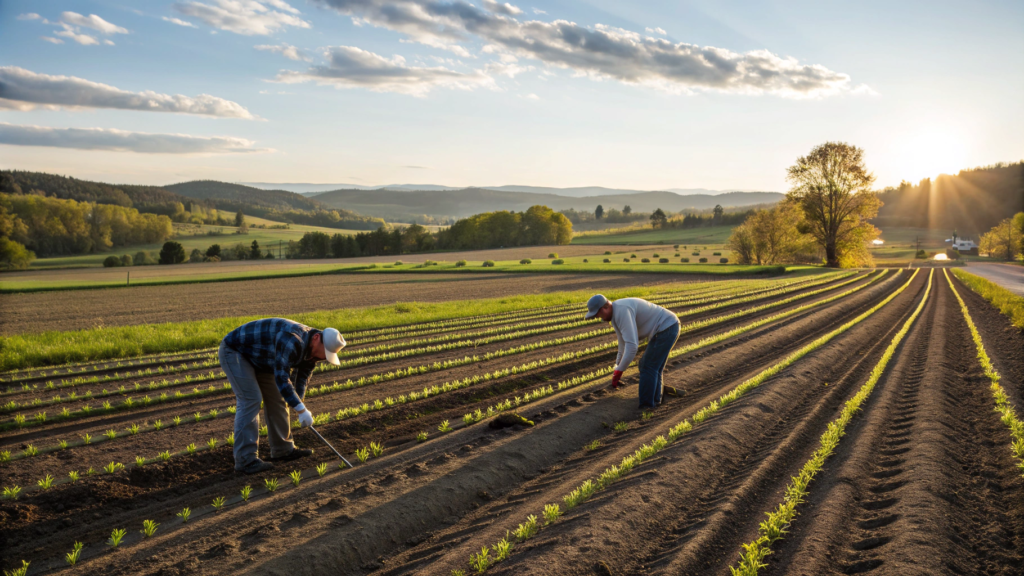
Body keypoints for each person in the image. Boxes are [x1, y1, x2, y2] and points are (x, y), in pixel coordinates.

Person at [219, 318, 346, 474]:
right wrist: (300, 409)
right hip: (236, 351)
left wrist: (299, 404)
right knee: (251, 399)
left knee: (278, 400)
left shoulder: (313, 354)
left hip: (263, 359)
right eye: (325, 353)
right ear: (316, 338)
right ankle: (245, 461)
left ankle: (283, 450)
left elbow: (301, 379)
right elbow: (281, 377)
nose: (324, 358)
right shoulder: (292, 338)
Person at [585, 294, 680, 409]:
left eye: (598, 314)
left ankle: (646, 406)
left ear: (605, 307)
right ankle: (655, 400)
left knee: (647, 366)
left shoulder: (622, 310)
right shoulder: (615, 315)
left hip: (666, 327)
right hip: (668, 327)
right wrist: (617, 366)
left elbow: (632, 345)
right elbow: (622, 343)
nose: (599, 318)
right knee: (653, 367)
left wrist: (620, 371)